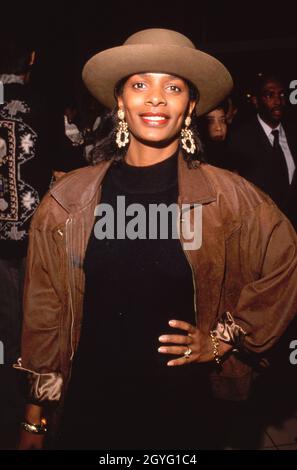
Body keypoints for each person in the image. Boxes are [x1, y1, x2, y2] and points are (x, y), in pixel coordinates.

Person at [17, 29, 297, 450]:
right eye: (139, 84)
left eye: (173, 86)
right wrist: (35, 419)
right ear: (119, 101)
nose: (155, 98)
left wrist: (224, 340)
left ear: (191, 106)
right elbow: (46, 315)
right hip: (91, 403)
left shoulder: (230, 197)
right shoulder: (68, 199)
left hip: (188, 408)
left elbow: (286, 262)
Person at [0, 36, 55, 446]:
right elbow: (72, 165)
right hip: (35, 241)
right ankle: (31, 411)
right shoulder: (44, 104)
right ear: (31, 60)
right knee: (34, 328)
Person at [227, 74, 297, 228]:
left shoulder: (293, 134)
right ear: (256, 101)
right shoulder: (239, 139)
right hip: (260, 231)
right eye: (269, 95)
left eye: (281, 95)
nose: (278, 101)